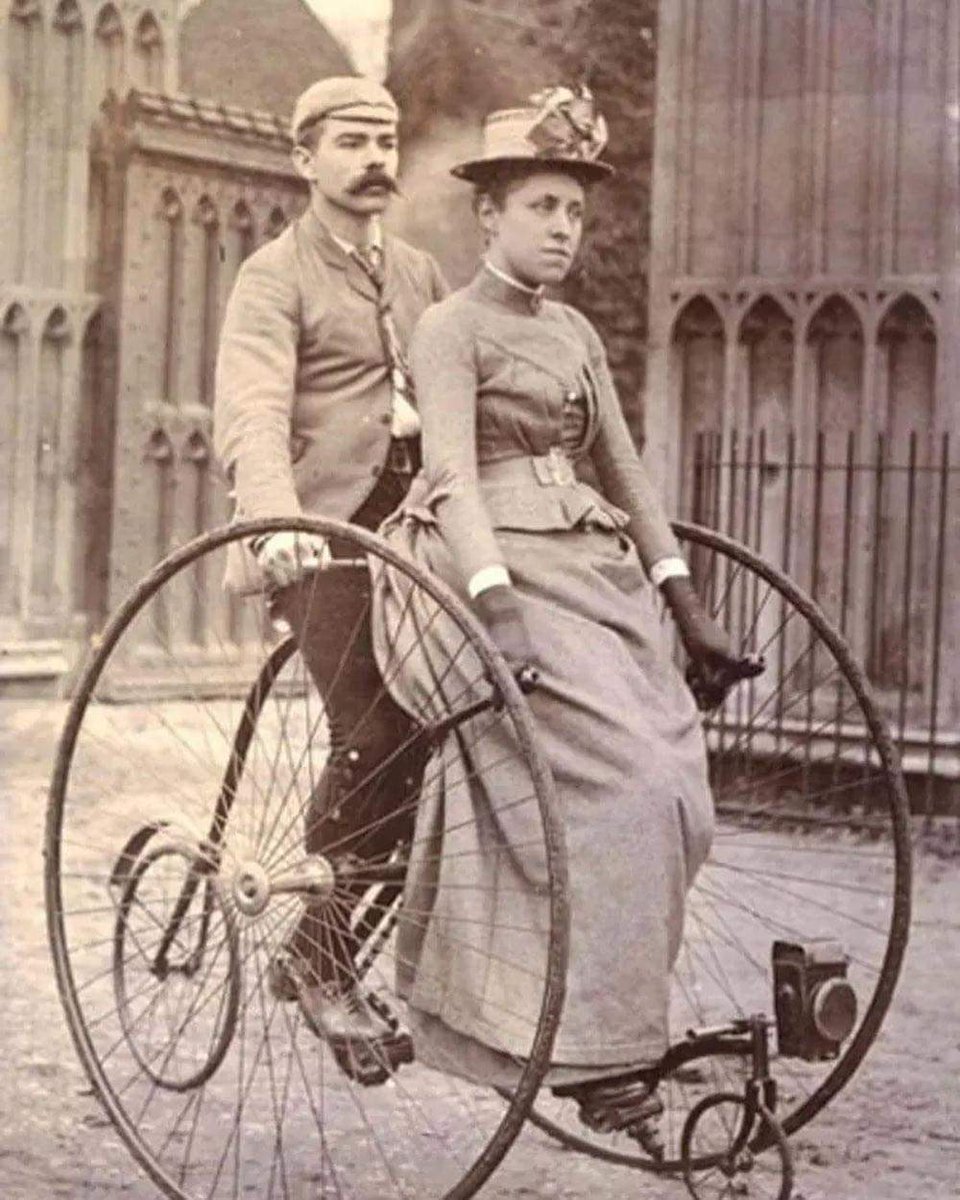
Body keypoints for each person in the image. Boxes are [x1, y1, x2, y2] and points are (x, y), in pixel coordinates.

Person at [370, 86, 760, 1143]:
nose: (561, 229)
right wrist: (495, 608)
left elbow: (627, 474)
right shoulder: (451, 330)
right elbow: (449, 475)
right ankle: (590, 1057)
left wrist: (687, 606)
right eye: (542, 205)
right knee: (618, 786)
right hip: (481, 571)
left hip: (591, 576)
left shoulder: (577, 332)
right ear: (487, 214)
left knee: (676, 782)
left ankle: (613, 1031)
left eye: (575, 213)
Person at [213, 76, 447, 1067]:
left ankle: (327, 947)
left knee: (451, 731)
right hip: (325, 536)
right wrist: (277, 522)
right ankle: (319, 959)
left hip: (420, 537)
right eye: (352, 142)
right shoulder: (274, 276)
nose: (376, 159)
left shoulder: (426, 273)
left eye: (388, 140)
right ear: (304, 158)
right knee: (378, 729)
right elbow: (253, 409)